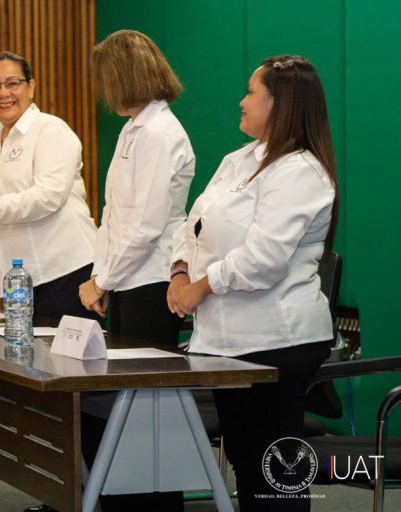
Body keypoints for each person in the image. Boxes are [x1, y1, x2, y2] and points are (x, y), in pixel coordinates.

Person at [168, 55, 338, 511]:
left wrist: (199, 287)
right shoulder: (238, 158)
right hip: (227, 341)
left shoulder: (300, 170)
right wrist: (181, 270)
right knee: (246, 462)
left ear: (279, 104)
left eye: (250, 92)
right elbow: (192, 225)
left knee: (271, 474)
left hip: (275, 340)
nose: (240, 101)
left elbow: (263, 260)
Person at [77, 30, 194, 512]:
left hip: (149, 283)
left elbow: (145, 225)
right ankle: (125, 498)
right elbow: (112, 215)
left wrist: (103, 279)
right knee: (121, 404)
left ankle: (156, 502)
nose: (103, 91)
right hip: (126, 280)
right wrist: (103, 276)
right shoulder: (133, 129)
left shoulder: (162, 133)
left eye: (106, 80)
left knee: (148, 409)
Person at [0, 51, 98, 322]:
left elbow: (46, 198)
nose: (3, 93)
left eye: (12, 83)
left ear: (31, 87)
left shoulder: (51, 131)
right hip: (16, 285)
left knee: (65, 364)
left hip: (66, 275)